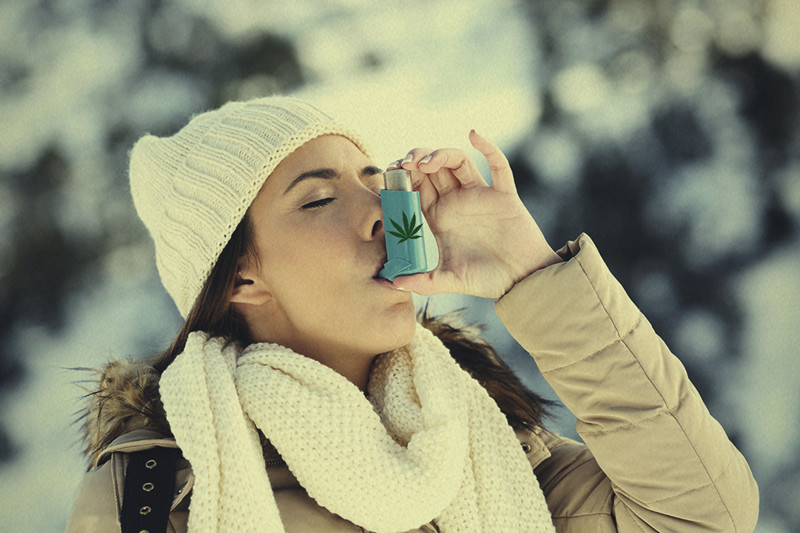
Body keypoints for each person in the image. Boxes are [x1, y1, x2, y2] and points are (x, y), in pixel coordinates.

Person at [65, 96, 758, 532]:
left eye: (377, 183)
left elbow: (706, 515)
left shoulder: (489, 444)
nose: (381, 215)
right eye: (318, 199)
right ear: (242, 273)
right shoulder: (152, 499)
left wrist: (531, 271)